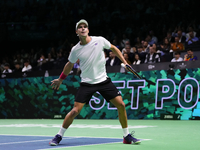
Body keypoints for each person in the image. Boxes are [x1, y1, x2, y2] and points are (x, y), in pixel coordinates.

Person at [50, 19, 141, 146]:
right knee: (75, 111)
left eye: (85, 27)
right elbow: (69, 64)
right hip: (87, 83)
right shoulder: (75, 49)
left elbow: (113, 48)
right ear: (77, 31)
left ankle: (126, 136)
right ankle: (59, 135)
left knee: (121, 105)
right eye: (80, 27)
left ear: (88, 30)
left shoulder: (99, 40)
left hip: (103, 81)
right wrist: (61, 79)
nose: (83, 28)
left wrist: (125, 63)